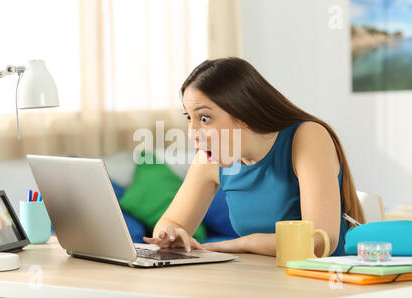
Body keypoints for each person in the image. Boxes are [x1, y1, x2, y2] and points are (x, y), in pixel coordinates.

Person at [143, 57, 365, 257]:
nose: (192, 132)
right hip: (261, 281)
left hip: (326, 284)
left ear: (243, 114)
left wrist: (245, 243)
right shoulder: (210, 160)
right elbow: (170, 223)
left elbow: (319, 240)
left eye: (204, 118)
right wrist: (170, 235)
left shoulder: (307, 136)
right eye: (188, 117)